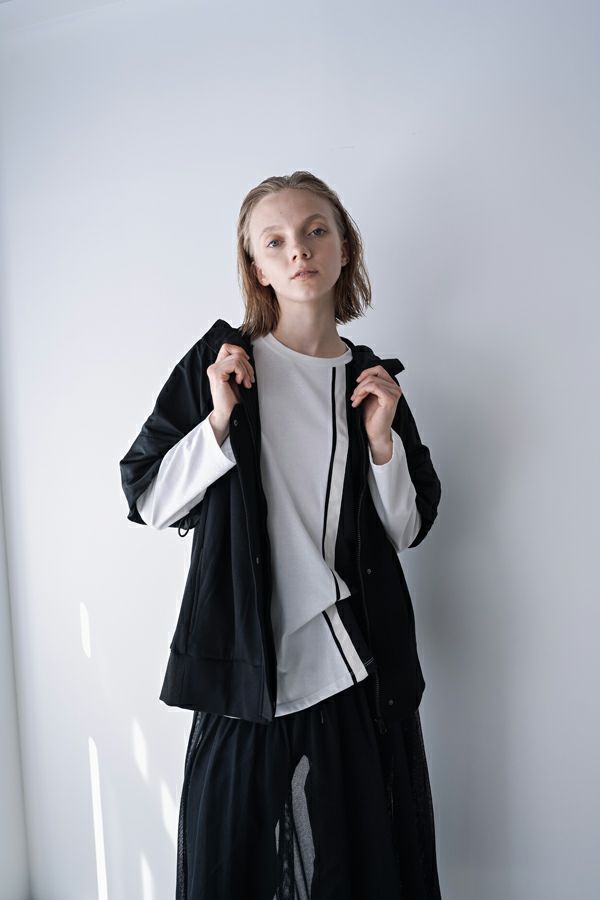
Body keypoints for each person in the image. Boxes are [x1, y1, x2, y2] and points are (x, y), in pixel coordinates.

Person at [119, 170, 443, 899]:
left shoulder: (372, 381)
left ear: (344, 247)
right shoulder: (222, 364)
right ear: (257, 266)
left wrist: (382, 442)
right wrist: (219, 419)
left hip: (353, 670)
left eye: (315, 230)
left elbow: (407, 527)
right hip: (243, 671)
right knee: (228, 870)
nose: (299, 249)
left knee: (361, 872)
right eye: (276, 240)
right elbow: (149, 500)